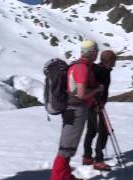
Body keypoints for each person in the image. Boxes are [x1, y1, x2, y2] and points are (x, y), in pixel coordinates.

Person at [50, 40, 104, 180]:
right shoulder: (82, 68)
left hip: (71, 110)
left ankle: (65, 175)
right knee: (66, 148)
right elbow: (81, 94)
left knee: (68, 146)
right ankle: (58, 177)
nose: (97, 54)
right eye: (96, 51)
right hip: (76, 111)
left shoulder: (77, 65)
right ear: (92, 53)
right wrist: (97, 90)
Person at [82, 50, 116, 171]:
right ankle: (98, 160)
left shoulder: (96, 69)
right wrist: (99, 100)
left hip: (91, 104)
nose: (115, 62)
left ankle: (87, 156)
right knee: (103, 131)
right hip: (97, 105)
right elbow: (98, 88)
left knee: (91, 130)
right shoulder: (103, 71)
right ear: (109, 61)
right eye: (113, 60)